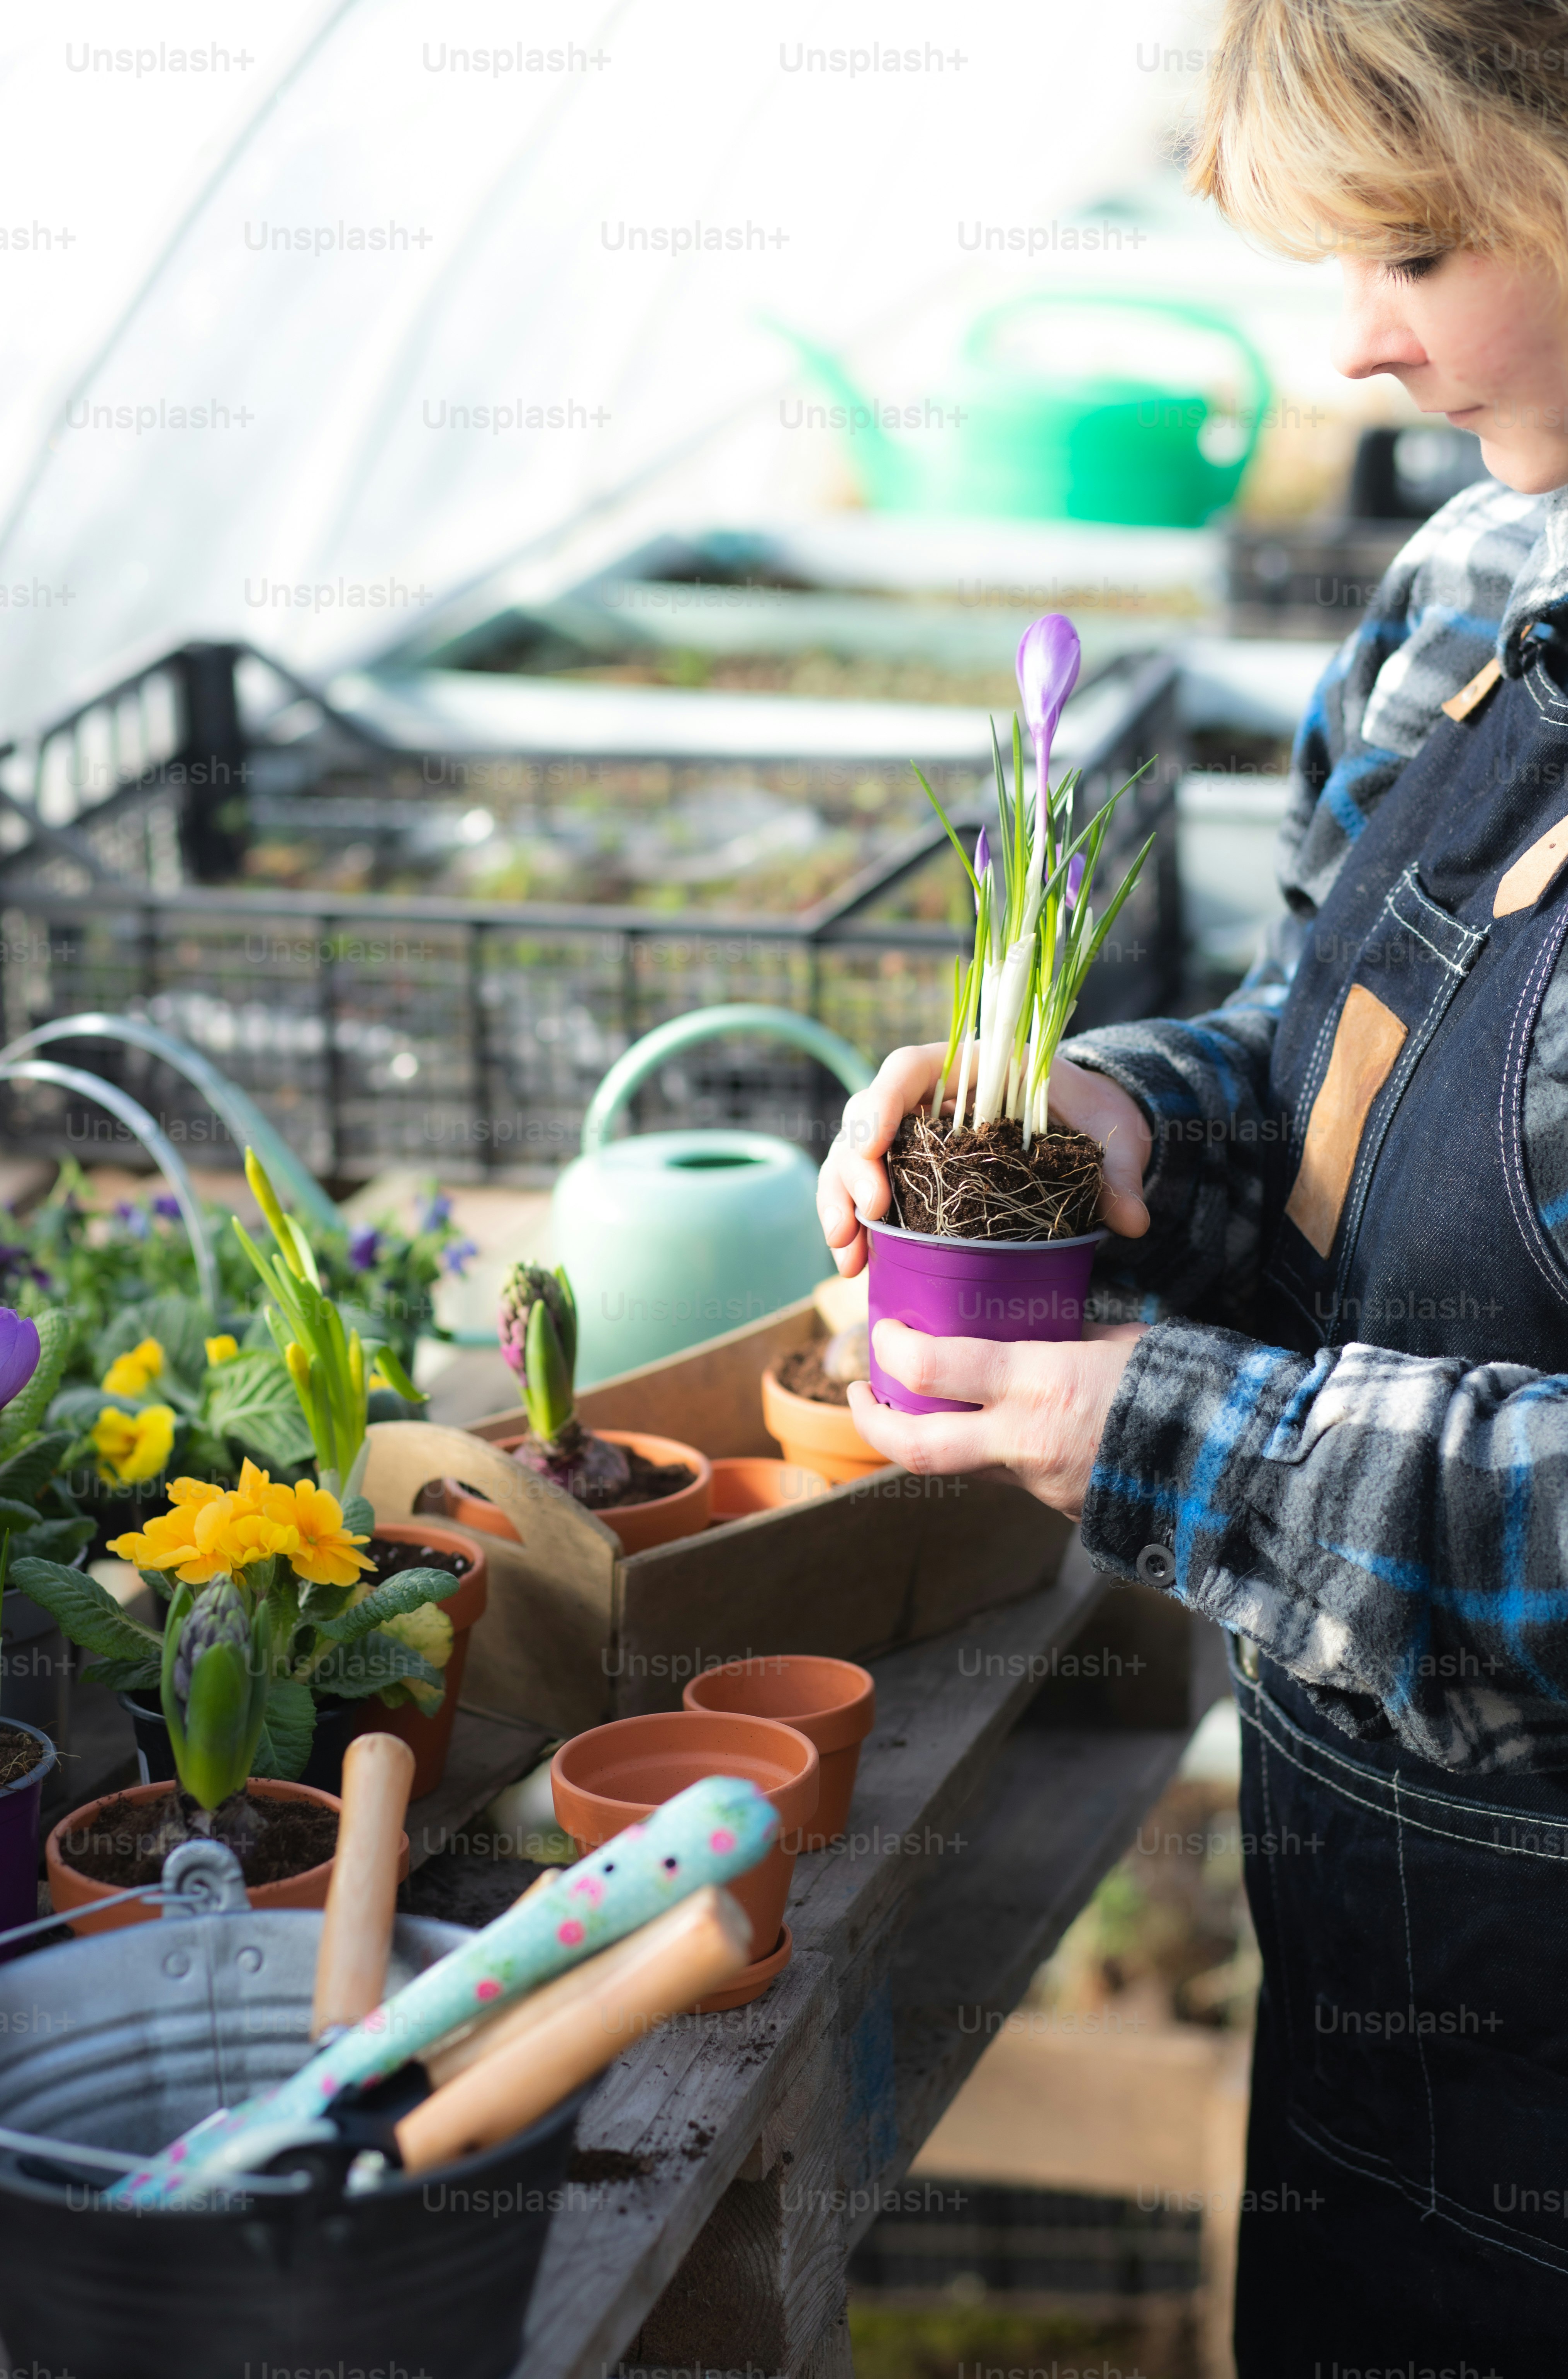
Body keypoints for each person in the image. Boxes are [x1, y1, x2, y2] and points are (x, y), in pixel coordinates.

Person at [817, 3, 1568, 2367]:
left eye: (1425, 244)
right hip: (1391, 1961)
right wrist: (1118, 1116)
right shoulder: (1473, 593)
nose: (1358, 345)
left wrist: (1134, 1430)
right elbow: (1321, 1058)